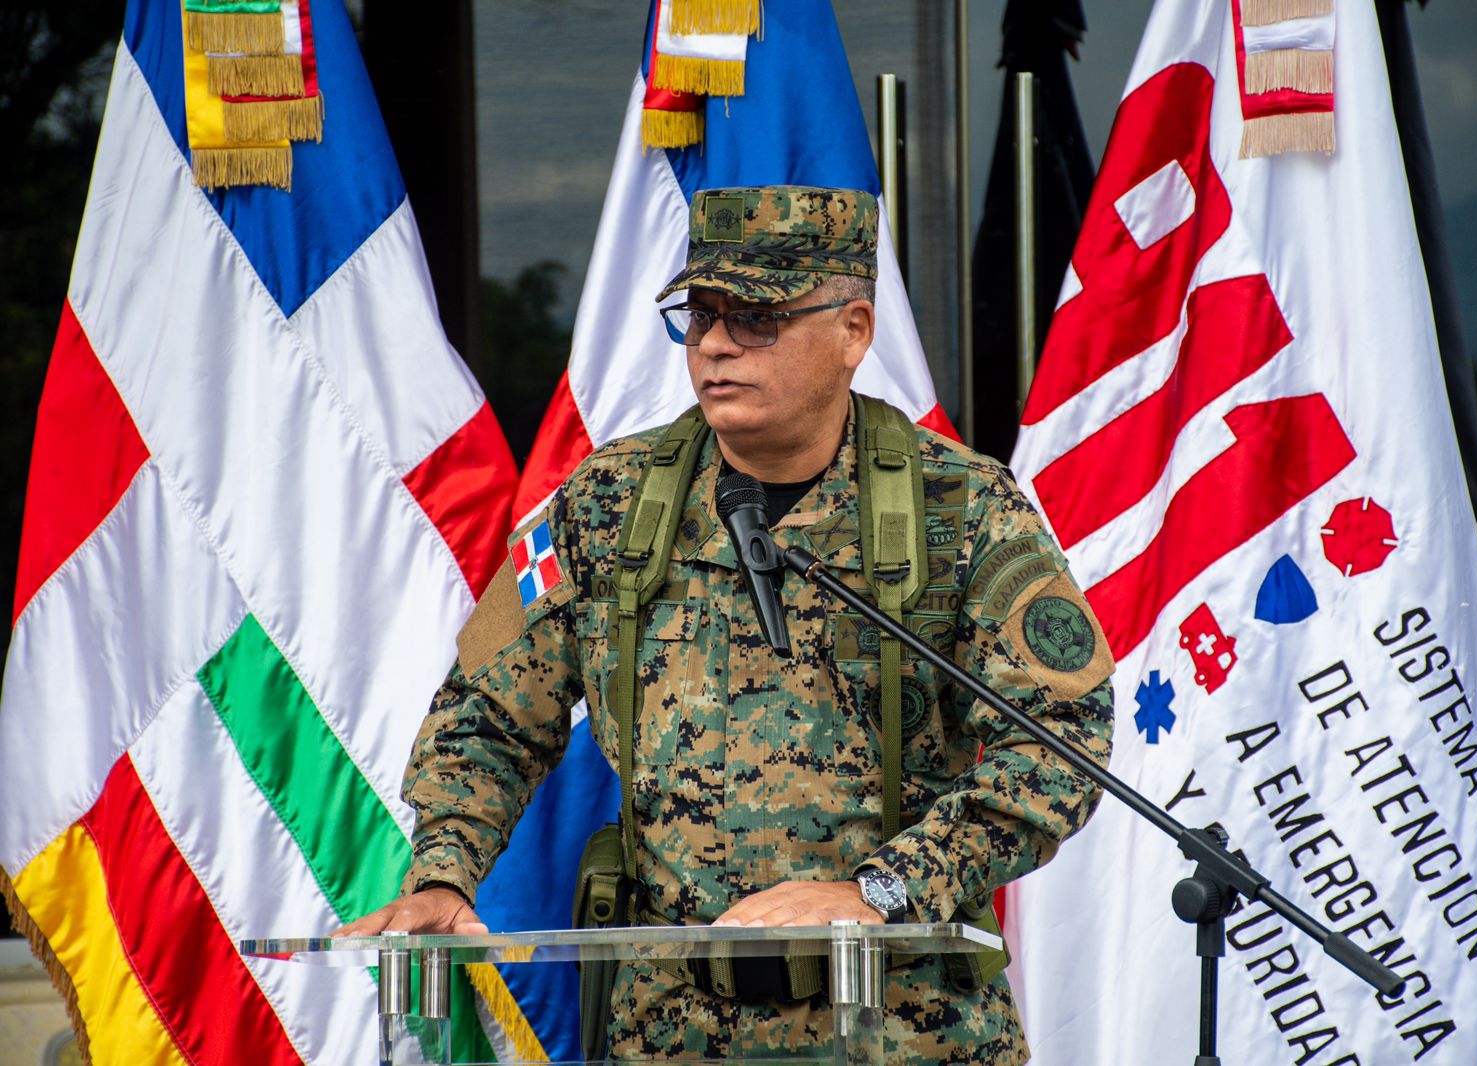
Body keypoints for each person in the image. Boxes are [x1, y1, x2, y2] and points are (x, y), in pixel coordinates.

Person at [337, 185, 1116, 1063]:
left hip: (906, 1028)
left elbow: (1060, 741)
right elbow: (484, 714)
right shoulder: (605, 504)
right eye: (699, 315)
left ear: (853, 331)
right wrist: (445, 869)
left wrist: (886, 888)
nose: (713, 345)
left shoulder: (960, 508)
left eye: (754, 317)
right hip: (668, 1030)